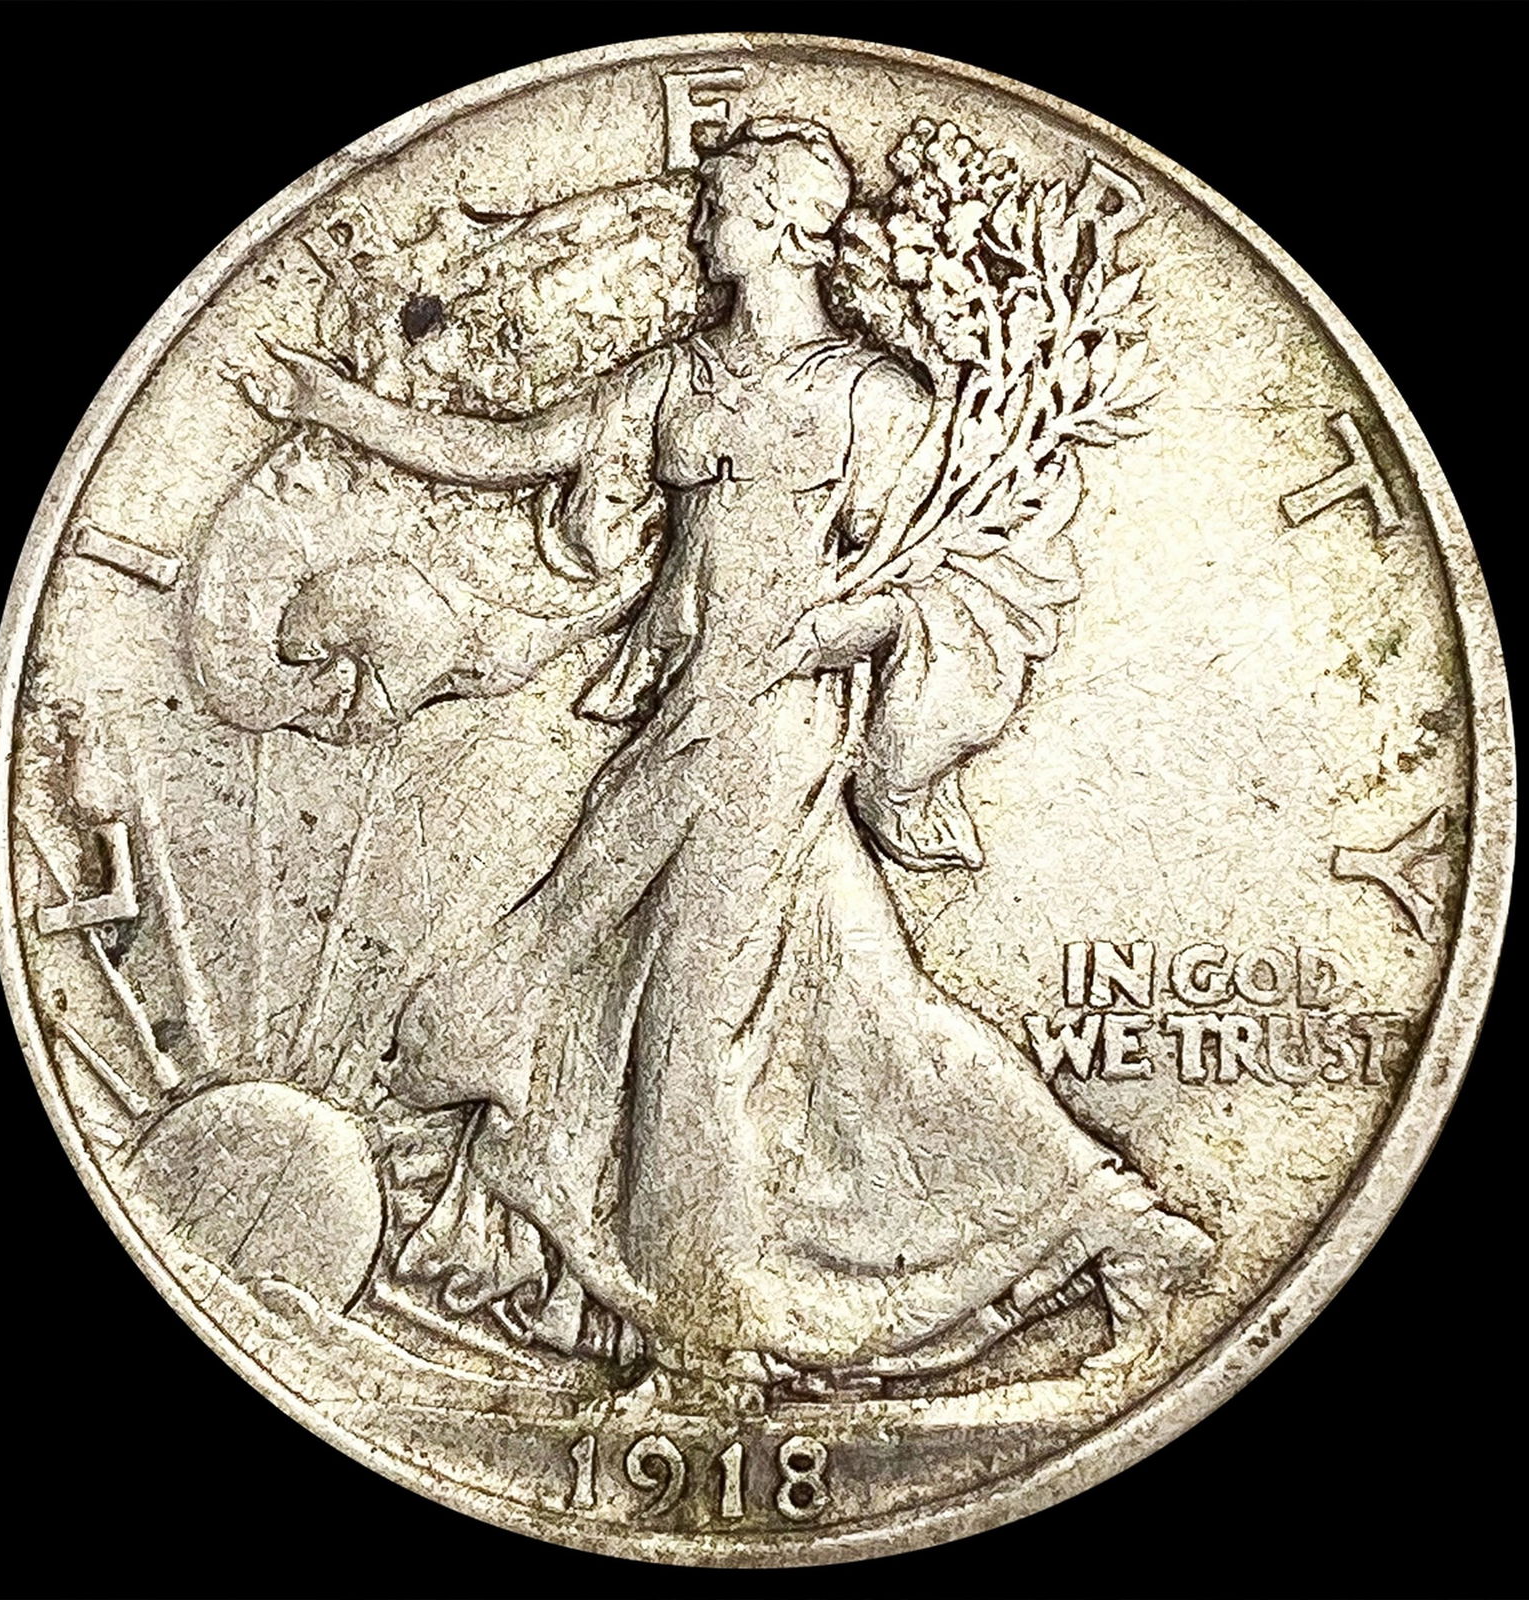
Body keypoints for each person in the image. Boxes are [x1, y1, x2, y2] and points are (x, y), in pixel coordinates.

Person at [244, 117, 1211, 1391]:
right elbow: (510, 452)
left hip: (775, 737)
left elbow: (957, 577)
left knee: (687, 1034)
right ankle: (1110, 1227)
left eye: (723, 206)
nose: (701, 225)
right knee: (861, 1007)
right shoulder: (677, 381)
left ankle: (702, 1333)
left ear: (785, 226)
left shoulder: (874, 400)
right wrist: (332, 405)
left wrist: (842, 628)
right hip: (685, 723)